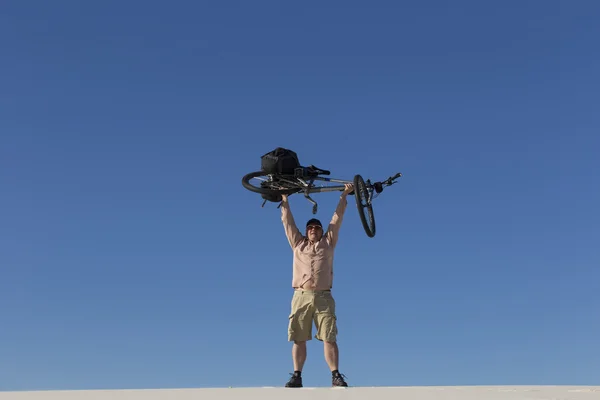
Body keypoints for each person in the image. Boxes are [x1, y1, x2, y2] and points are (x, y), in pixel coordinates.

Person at [279, 183, 353, 388]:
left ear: (321, 231)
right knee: (299, 337)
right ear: (306, 231)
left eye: (316, 227)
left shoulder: (328, 242)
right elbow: (287, 223)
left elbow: (336, 220)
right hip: (301, 295)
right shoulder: (298, 244)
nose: (313, 230)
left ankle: (336, 375)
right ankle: (296, 375)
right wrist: (284, 200)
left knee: (329, 336)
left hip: (323, 296)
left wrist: (344, 195)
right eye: (310, 227)